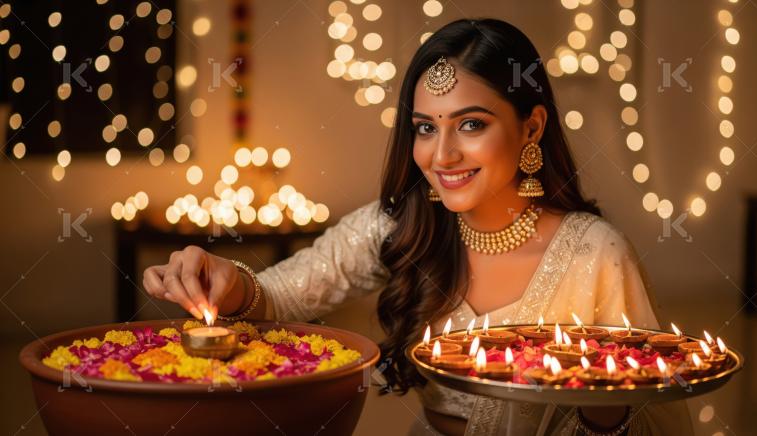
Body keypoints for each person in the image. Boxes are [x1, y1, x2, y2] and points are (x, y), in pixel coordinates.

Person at [143, 18, 694, 436]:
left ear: (532, 127)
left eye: (471, 125)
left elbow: (656, 423)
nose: (442, 154)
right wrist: (228, 279)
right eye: (425, 128)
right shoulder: (401, 226)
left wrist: (606, 410)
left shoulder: (595, 255)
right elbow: (281, 295)